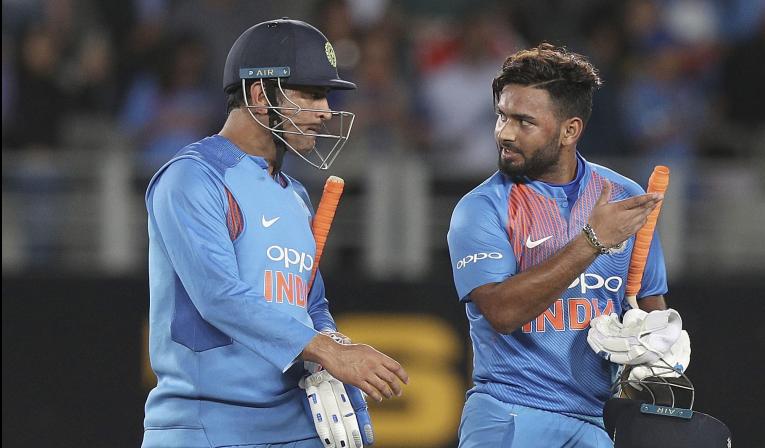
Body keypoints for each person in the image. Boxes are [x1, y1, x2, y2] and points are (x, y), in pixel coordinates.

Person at [142, 19, 407, 448]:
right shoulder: (193, 177)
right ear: (261, 94)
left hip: (294, 424)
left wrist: (334, 354)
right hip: (206, 425)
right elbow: (219, 296)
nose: (325, 110)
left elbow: (311, 303)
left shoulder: (296, 194)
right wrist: (328, 351)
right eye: (312, 93)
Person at [446, 43, 671, 447]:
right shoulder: (480, 208)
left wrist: (661, 344)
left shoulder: (623, 194)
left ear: (570, 130)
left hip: (600, 423)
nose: (505, 133)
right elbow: (501, 310)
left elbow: (648, 300)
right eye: (501, 116)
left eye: (523, 121)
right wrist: (592, 241)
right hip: (510, 412)